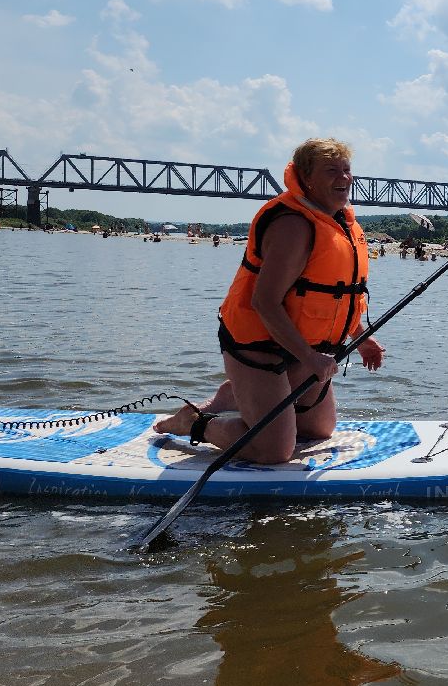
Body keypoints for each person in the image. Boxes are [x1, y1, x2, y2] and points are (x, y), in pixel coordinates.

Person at [153, 139, 384, 464]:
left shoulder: (341, 224)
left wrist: (359, 337)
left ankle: (235, 394)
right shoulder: (293, 225)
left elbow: (334, 296)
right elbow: (265, 302)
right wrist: (311, 358)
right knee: (273, 450)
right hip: (258, 342)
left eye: (347, 170)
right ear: (306, 179)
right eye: (331, 171)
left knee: (320, 430)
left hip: (299, 343)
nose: (344, 178)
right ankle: (195, 422)